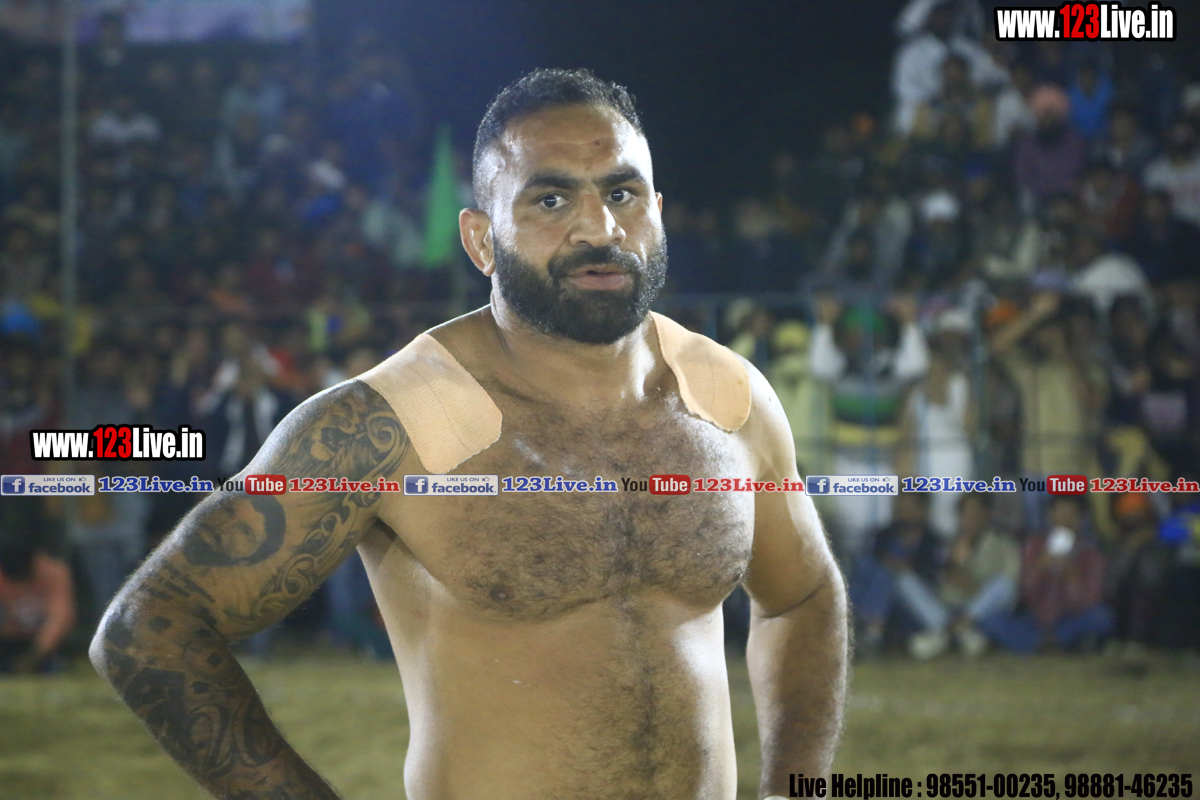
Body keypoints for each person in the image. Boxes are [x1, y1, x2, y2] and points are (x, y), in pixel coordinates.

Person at [91, 69, 848, 799]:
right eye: (550, 199)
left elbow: (804, 596)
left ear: (657, 209)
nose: (600, 227)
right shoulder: (389, 423)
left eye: (622, 193)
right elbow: (151, 627)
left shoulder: (728, 396)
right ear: (481, 240)